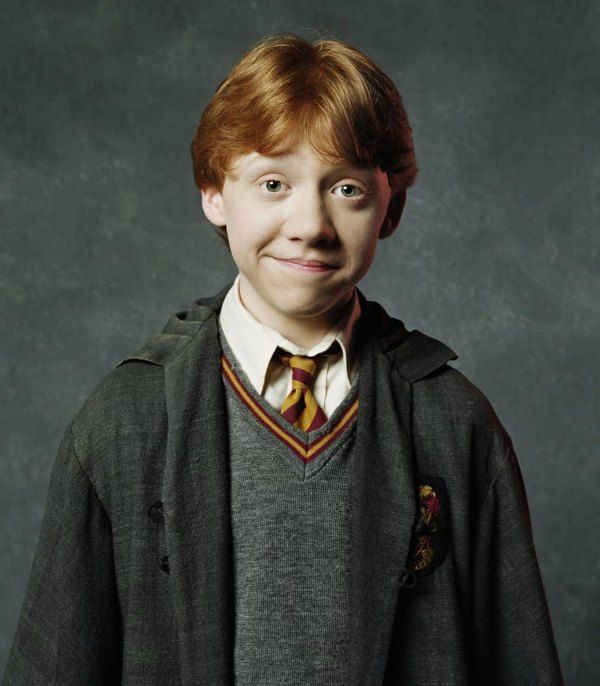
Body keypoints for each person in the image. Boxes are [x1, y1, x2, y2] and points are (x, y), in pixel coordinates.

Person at [3, 33, 564, 686]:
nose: (310, 225)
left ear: (391, 206)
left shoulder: (454, 424)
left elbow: (520, 662)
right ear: (214, 192)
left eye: (347, 188)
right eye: (273, 183)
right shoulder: (124, 423)